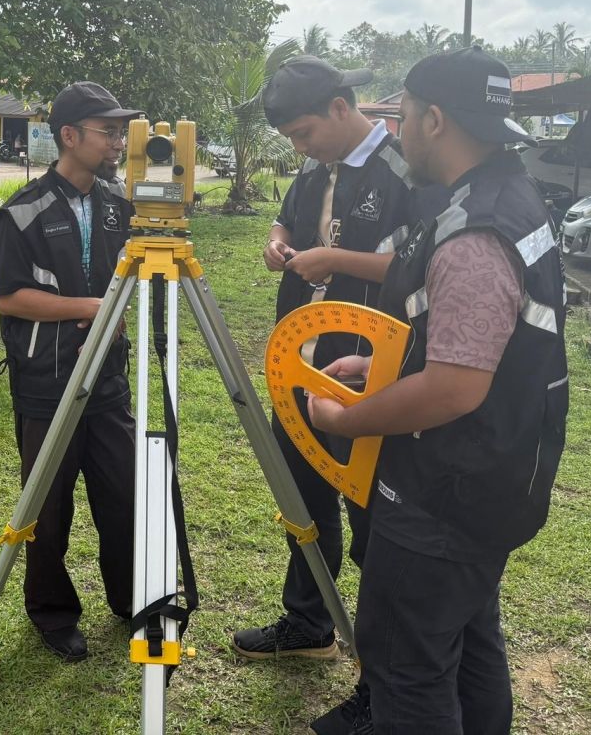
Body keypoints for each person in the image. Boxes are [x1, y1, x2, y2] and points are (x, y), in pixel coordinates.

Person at [308, 47, 568, 735]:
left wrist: (351, 415)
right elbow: (478, 339)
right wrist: (384, 364)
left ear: (435, 120)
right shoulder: (506, 195)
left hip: (445, 494)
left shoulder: (474, 234)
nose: (396, 131)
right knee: (471, 644)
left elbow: (454, 387)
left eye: (406, 115)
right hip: (496, 480)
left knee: (407, 666)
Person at [232, 56, 415, 661]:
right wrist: (277, 244)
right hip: (299, 357)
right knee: (303, 489)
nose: (300, 147)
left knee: (371, 507)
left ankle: (384, 654)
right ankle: (308, 623)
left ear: (341, 108)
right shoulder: (315, 170)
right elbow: (285, 226)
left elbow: (421, 268)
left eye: (304, 133)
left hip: (366, 363)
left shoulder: (403, 171)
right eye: (290, 139)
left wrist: (334, 261)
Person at [0, 81, 140, 662]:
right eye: (107, 131)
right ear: (71, 136)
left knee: (123, 494)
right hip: (46, 381)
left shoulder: (119, 206)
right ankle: (52, 614)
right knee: (47, 507)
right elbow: (10, 297)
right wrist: (93, 309)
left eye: (119, 131)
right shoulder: (23, 211)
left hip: (107, 381)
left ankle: (134, 602)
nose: (117, 141)